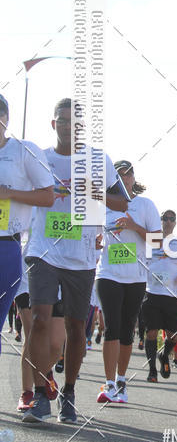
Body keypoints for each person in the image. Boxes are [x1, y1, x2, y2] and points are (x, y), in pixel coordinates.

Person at [23, 98, 127, 424]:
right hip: (42, 250)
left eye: (75, 123)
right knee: (40, 319)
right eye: (62, 121)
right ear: (53, 124)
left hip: (80, 255)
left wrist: (90, 192)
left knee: (75, 328)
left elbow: (123, 202)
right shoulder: (39, 158)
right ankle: (40, 396)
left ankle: (67, 391)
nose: (68, 127)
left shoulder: (99, 160)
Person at [95, 161, 161, 404]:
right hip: (108, 274)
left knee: (126, 330)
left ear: (134, 178)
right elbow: (89, 235)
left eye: (127, 174)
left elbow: (156, 242)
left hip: (135, 277)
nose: (124, 178)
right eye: (119, 175)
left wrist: (134, 226)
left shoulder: (145, 205)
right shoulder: (102, 205)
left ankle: (122, 382)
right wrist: (95, 241)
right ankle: (109, 383)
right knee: (111, 326)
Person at [0, 94, 54, 353]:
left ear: (7, 118)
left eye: (0, 113)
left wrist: (10, 193)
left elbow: (47, 196)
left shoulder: (23, 150)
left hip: (6, 247)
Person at [141, 210, 177, 382]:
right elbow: (141, 261)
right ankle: (152, 370)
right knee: (151, 333)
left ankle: (164, 355)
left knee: (174, 336)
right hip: (152, 293)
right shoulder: (151, 240)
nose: (169, 221)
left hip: (173, 295)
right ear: (160, 221)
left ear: (175, 223)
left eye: (172, 219)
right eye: (165, 218)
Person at [14, 249, 65, 412]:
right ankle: (27, 393)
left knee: (56, 345)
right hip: (28, 268)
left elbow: (91, 227)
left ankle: (44, 370)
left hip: (58, 270)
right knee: (31, 334)